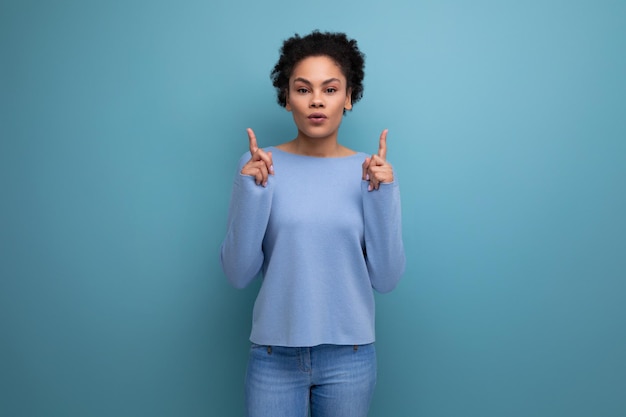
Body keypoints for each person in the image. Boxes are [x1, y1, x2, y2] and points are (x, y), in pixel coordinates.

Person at [220, 30, 405, 417]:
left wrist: (382, 194)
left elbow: (386, 279)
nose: (317, 100)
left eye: (330, 89)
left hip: (349, 359)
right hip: (273, 357)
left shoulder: (371, 172)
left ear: (348, 97)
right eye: (303, 89)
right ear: (286, 97)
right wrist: (252, 191)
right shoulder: (259, 165)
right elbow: (238, 273)